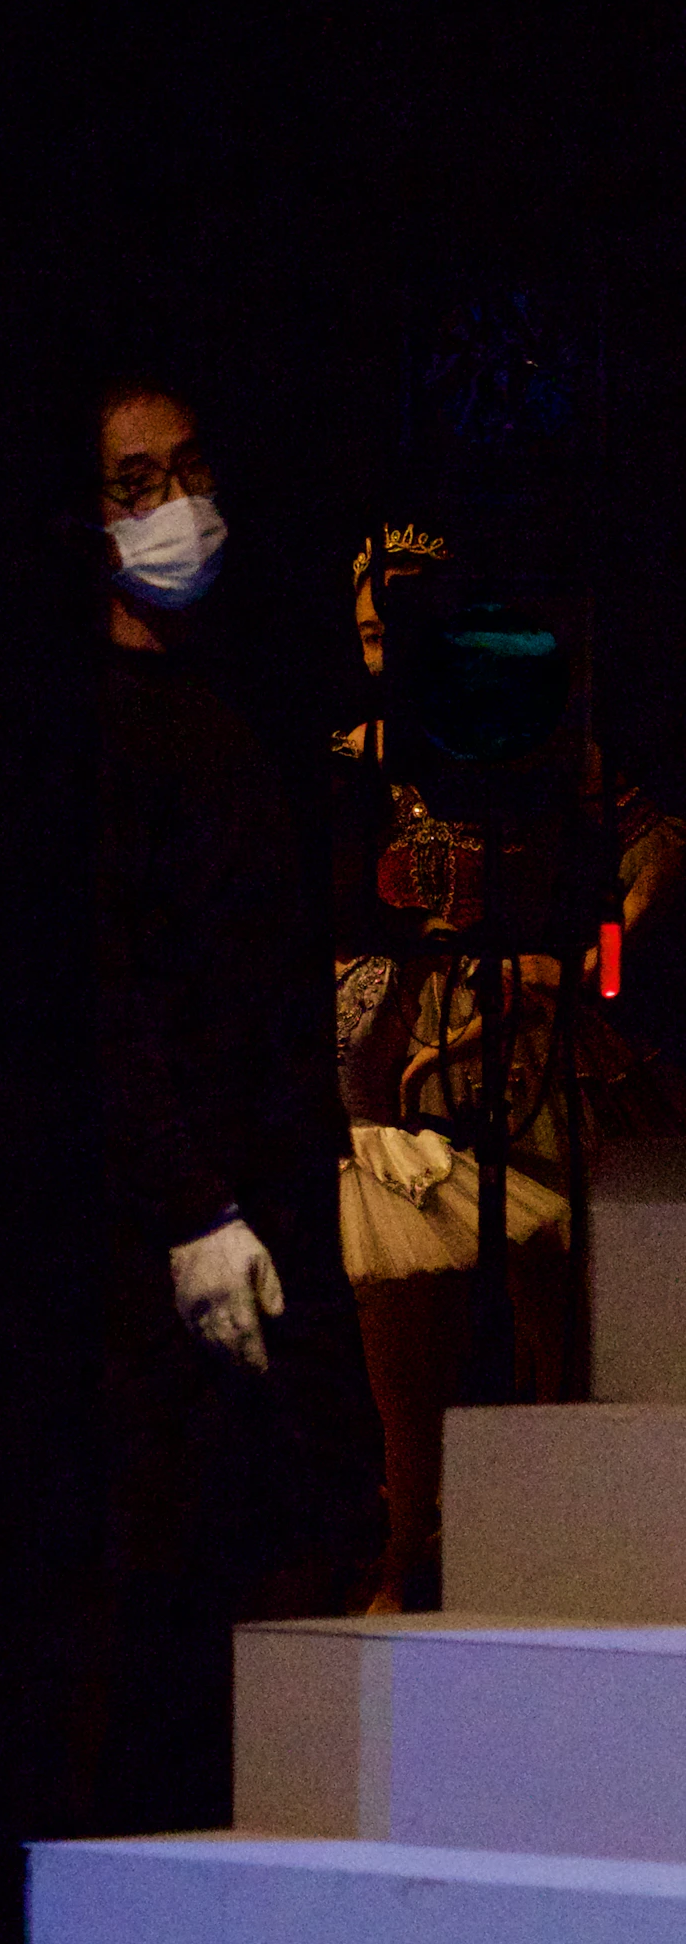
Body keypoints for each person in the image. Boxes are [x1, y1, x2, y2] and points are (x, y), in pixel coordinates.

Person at [93, 379, 381, 1827]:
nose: (176, 504)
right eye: (138, 481)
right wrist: (191, 1208)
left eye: (191, 468)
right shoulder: (100, 727)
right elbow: (109, 997)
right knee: (191, 1550)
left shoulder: (226, 707)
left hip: (272, 1176)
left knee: (315, 1518)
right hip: (185, 1211)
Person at [334, 515, 685, 1603]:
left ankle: (554, 1561)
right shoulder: (346, 762)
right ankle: (405, 1554)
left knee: (558, 1337)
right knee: (403, 1347)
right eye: (370, 633)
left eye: (408, 629)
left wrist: (594, 955)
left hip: (534, 1047)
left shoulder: (546, 744)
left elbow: (659, 846)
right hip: (397, 1048)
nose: (388, 652)